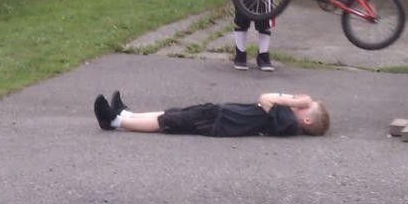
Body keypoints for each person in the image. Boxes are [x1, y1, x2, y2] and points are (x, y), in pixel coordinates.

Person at [93, 91, 330, 137]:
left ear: (306, 119)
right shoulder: (285, 119)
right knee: (172, 113)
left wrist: (294, 100)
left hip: (218, 121)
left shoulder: (286, 121)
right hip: (219, 114)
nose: (300, 102)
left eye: (305, 106)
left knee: (168, 121)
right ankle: (126, 114)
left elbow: (266, 98)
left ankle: (115, 121)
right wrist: (295, 101)